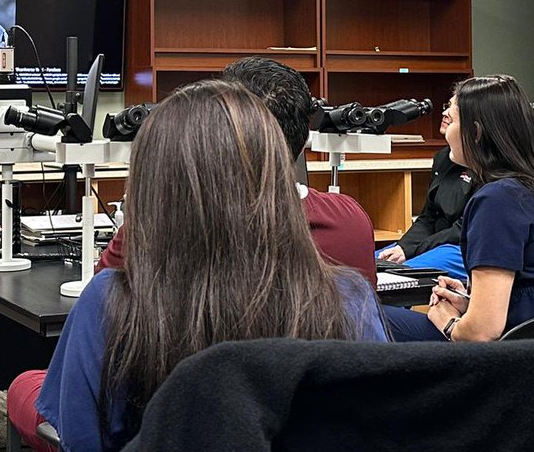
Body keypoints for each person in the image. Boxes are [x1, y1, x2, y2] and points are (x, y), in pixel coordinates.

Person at [9, 58, 378, 452]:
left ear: (154, 176)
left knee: (29, 387)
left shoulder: (110, 302)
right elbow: (370, 436)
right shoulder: (348, 295)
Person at [97, 57, 377, 286]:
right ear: (305, 141)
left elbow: (104, 295)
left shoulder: (161, 225)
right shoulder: (349, 220)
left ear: (214, 132)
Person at [385, 75, 534, 343]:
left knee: (366, 314)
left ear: (475, 133)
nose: (445, 127)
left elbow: (481, 333)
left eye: (451, 119)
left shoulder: (497, 201)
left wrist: (447, 321)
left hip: (514, 360)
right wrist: (471, 301)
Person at [375, 97, 472, 279]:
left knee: (397, 276)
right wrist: (404, 247)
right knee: (367, 265)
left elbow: (464, 228)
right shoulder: (443, 158)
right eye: (447, 105)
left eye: (452, 108)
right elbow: (428, 216)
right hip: (434, 242)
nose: (445, 113)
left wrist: (414, 250)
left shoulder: (488, 169)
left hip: (461, 246)